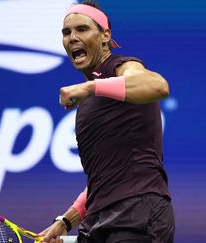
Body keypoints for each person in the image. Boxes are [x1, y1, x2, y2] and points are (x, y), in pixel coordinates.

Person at [40, 1, 175, 242]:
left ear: (105, 36)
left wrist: (90, 87)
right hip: (98, 220)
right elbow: (103, 179)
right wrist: (65, 222)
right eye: (66, 32)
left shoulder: (120, 67)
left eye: (82, 29)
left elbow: (158, 85)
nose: (72, 38)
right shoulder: (88, 105)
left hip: (137, 211)